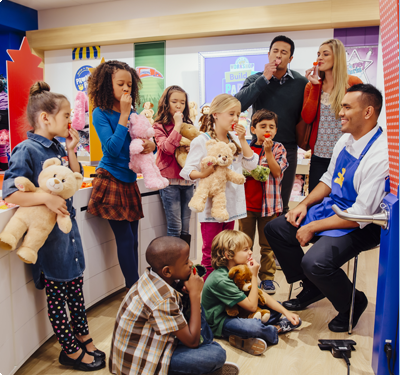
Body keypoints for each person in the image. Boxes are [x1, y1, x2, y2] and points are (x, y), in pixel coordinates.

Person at [265, 84, 388, 332]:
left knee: (315, 263)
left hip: (361, 223)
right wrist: (303, 205)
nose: (339, 113)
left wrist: (313, 226)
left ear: (368, 112)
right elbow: (330, 180)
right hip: (335, 208)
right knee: (277, 229)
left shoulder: (380, 154)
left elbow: (360, 214)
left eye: (346, 107)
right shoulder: (344, 139)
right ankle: (312, 287)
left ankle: (353, 302)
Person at [3, 81, 105, 371]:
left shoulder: (58, 146)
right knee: (58, 298)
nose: (71, 120)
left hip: (68, 236)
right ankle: (70, 350)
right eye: (66, 115)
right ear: (45, 117)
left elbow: (74, 180)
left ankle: (84, 337)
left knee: (76, 289)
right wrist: (45, 199)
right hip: (48, 243)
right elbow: (10, 191)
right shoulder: (26, 150)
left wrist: (72, 150)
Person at [109, 236, 240, 375]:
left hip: (159, 343)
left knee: (207, 339)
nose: (191, 264)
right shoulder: (161, 298)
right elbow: (193, 342)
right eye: (185, 262)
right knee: (216, 354)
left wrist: (187, 294)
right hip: (140, 366)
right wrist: (195, 295)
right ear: (167, 271)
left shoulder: (155, 275)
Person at [87, 60, 155, 290]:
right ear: (108, 85)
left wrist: (149, 145)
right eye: (120, 84)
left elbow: (141, 140)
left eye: (129, 84)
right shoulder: (100, 112)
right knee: (125, 239)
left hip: (129, 179)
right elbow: (112, 149)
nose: (126, 89)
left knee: (134, 240)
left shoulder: (134, 111)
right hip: (110, 179)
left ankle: (135, 285)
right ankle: (133, 288)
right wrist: (124, 115)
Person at [180, 94, 258, 279]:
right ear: (215, 114)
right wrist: (203, 174)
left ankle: (223, 289)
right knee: (210, 253)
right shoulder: (202, 140)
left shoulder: (235, 141)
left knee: (227, 253)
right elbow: (187, 171)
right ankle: (208, 298)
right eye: (231, 113)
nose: (235, 119)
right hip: (209, 210)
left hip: (230, 207)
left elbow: (252, 165)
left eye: (238, 115)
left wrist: (243, 139)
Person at [235, 35, 308, 213]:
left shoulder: (300, 83)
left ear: (290, 59)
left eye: (284, 52)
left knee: (280, 204)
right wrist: (264, 79)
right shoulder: (255, 80)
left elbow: (306, 115)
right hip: (257, 149)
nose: (278, 55)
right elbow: (238, 105)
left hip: (287, 149)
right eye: (275, 51)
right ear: (268, 54)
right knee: (254, 202)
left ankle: (274, 240)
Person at [201, 230, 301, 355]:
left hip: (239, 311)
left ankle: (243, 336)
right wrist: (254, 275)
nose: (250, 252)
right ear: (228, 255)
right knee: (253, 327)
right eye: (245, 249)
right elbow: (252, 306)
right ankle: (276, 329)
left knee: (276, 307)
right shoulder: (220, 279)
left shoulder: (239, 268)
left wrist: (286, 312)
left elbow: (260, 294)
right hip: (220, 322)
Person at [302, 39, 363, 192]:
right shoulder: (312, 85)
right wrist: (315, 86)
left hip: (347, 153)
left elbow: (362, 117)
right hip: (319, 154)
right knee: (315, 202)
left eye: (325, 54)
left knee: (342, 199)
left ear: (337, 57)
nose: (319, 58)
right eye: (318, 54)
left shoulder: (353, 83)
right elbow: (307, 117)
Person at [238, 109, 288, 295]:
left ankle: (267, 279)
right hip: (246, 206)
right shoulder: (246, 148)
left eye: (272, 127)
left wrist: (268, 152)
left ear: (276, 130)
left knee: (268, 246)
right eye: (263, 126)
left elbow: (276, 173)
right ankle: (245, 276)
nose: (268, 129)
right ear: (253, 129)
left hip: (270, 206)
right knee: (245, 245)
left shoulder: (278, 148)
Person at [153, 86, 194, 244]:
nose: (179, 106)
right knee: (175, 227)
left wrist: (194, 148)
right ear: (166, 103)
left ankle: (184, 264)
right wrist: (177, 125)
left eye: (182, 102)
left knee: (185, 228)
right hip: (169, 181)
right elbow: (167, 149)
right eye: (174, 101)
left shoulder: (189, 125)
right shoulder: (158, 127)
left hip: (188, 180)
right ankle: (174, 265)